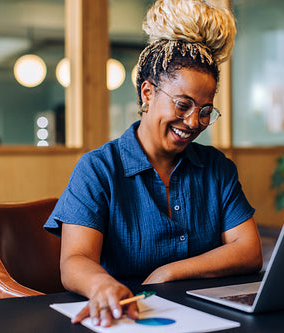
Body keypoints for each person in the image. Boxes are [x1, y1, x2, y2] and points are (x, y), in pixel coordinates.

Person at [44, 0, 262, 327]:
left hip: (208, 318)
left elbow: (249, 251)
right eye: (183, 104)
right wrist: (101, 285)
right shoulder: (98, 168)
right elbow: (75, 261)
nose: (193, 122)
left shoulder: (217, 168)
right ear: (147, 93)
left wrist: (170, 271)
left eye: (205, 110)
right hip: (129, 316)